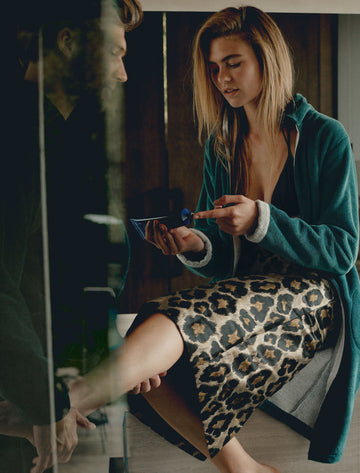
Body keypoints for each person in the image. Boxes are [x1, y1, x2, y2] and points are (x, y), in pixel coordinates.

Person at [69, 5, 360, 473]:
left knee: (177, 322)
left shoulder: (324, 137)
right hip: (248, 298)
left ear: (267, 60)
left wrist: (262, 219)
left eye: (233, 62)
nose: (222, 77)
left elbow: (343, 250)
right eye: (213, 67)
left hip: (313, 300)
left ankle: (72, 398)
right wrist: (193, 245)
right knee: (152, 359)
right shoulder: (223, 144)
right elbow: (223, 258)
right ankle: (244, 468)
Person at [0, 0, 142, 472]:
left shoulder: (59, 132)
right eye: (114, 53)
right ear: (68, 42)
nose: (122, 73)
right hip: (32, 396)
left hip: (70, 386)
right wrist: (46, 404)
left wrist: (121, 356)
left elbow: (61, 265)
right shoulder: (18, 137)